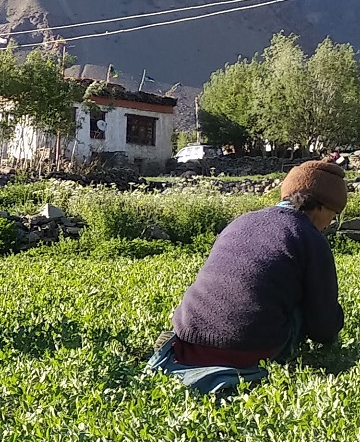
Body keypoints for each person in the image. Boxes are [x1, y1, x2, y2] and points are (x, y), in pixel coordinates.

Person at [145, 159, 349, 397]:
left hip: (188, 336)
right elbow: (322, 324)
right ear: (322, 207)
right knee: (300, 305)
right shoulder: (309, 238)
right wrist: (333, 333)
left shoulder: (242, 221)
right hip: (248, 347)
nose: (330, 223)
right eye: (334, 215)